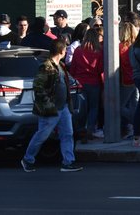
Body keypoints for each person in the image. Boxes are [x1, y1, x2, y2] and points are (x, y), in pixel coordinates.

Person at [21, 39, 81, 173]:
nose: (66, 52)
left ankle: (68, 162)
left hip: (63, 107)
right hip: (51, 108)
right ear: (61, 51)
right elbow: (38, 87)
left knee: (67, 134)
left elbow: (66, 81)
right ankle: (27, 159)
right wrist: (48, 105)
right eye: (65, 49)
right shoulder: (46, 67)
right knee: (42, 135)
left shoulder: (60, 66)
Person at [70, 27, 104, 140]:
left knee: (81, 108)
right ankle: (90, 129)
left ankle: (81, 130)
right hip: (94, 82)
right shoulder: (99, 51)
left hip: (80, 83)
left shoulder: (78, 50)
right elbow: (100, 69)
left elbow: (73, 68)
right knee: (94, 107)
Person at [118, 21, 139, 140]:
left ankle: (138, 123)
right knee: (133, 105)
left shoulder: (121, 47)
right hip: (137, 78)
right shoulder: (136, 45)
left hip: (126, 79)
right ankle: (137, 127)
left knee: (119, 106)